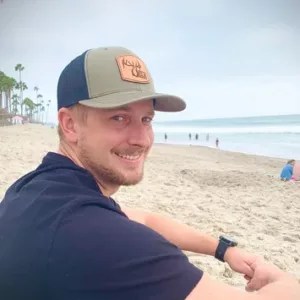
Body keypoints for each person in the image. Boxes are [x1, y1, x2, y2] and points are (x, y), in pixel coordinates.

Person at [0, 47, 299, 300]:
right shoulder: (103, 240)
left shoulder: (33, 189)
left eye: (146, 119)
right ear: (70, 125)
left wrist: (223, 250)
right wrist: (284, 281)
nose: (141, 138)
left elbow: (143, 218)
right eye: (119, 118)